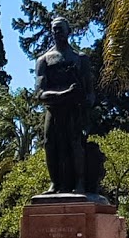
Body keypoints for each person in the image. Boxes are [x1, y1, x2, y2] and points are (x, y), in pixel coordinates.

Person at [34, 16, 96, 195]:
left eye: (60, 28)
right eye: (54, 29)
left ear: (69, 31)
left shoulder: (80, 59)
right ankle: (55, 184)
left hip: (74, 110)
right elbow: (40, 93)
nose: (57, 32)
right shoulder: (44, 60)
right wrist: (64, 94)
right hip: (53, 110)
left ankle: (80, 183)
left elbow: (90, 92)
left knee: (75, 144)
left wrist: (87, 102)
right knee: (49, 144)